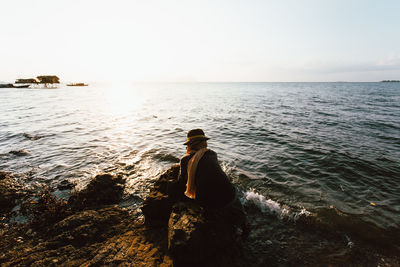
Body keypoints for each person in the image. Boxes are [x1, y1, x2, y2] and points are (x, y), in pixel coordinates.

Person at [175, 128, 249, 237]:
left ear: (190, 145)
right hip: (229, 196)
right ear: (204, 143)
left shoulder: (185, 160)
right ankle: (244, 225)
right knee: (229, 189)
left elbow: (182, 182)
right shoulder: (212, 154)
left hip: (208, 202)